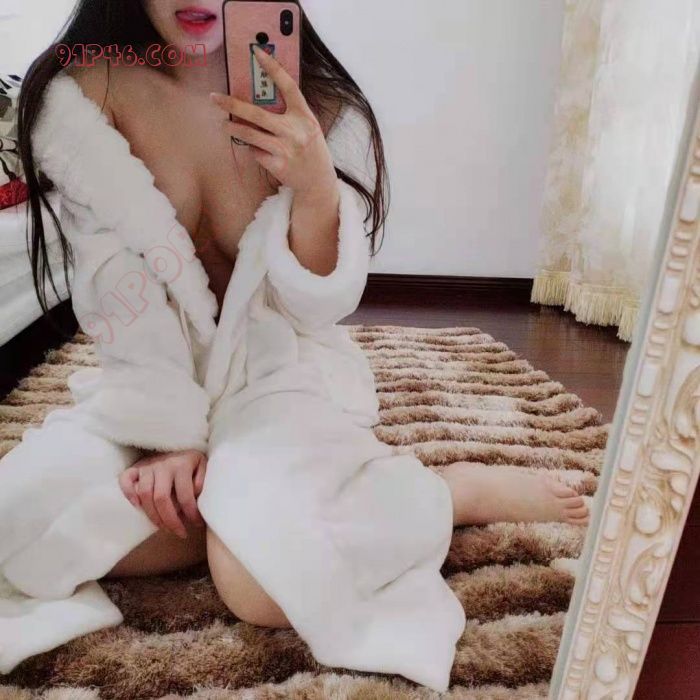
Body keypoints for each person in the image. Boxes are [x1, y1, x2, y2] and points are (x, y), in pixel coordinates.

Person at [0, 0, 589, 690]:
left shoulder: (316, 102)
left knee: (261, 589)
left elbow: (320, 304)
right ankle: (245, 507)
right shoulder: (87, 90)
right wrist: (165, 436)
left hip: (278, 370)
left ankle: (447, 493)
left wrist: (314, 190)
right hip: (150, 377)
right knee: (14, 520)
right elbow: (115, 290)